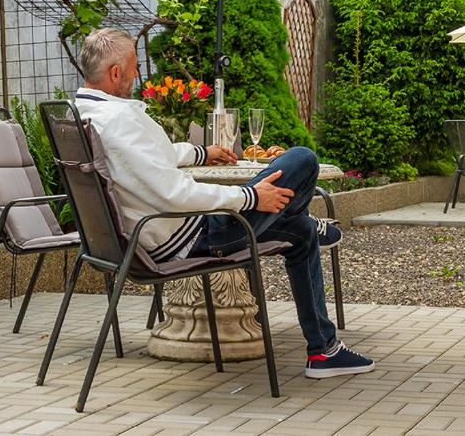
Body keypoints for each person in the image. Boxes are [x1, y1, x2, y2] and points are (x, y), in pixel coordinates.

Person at [74, 27, 374, 379]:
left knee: (302, 233)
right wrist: (249, 197)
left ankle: (324, 353)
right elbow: (175, 194)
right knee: (302, 160)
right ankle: (305, 225)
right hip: (194, 238)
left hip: (150, 238)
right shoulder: (120, 121)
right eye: (134, 66)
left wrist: (201, 152)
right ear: (115, 73)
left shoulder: (88, 115)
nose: (138, 74)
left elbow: (149, 160)